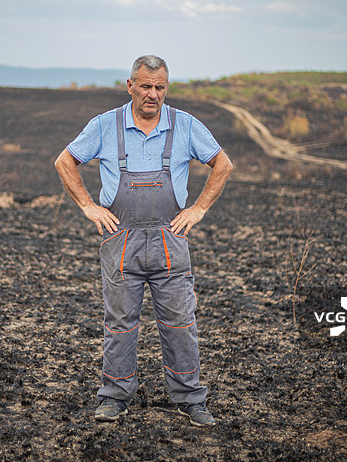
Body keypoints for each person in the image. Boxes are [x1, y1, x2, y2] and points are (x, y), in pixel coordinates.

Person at [54, 55, 232, 427]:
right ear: (130, 85)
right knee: (120, 323)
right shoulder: (105, 126)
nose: (153, 94)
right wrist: (88, 206)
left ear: (166, 88)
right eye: (146, 86)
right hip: (121, 241)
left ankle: (191, 399)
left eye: (160, 87)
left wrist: (197, 209)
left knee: (181, 323)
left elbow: (223, 165)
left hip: (171, 239)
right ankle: (114, 397)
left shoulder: (184, 125)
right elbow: (64, 162)